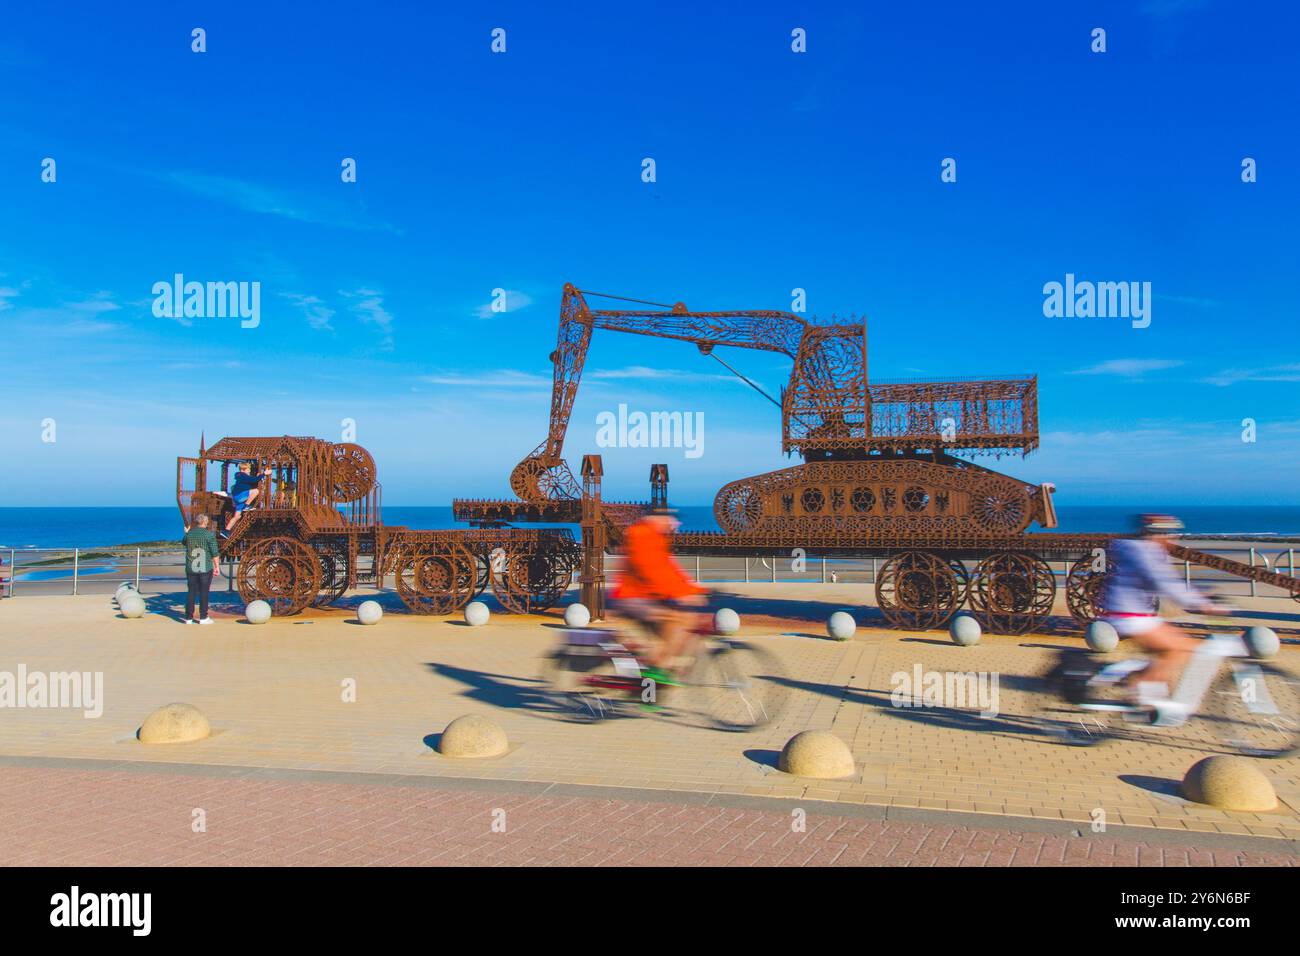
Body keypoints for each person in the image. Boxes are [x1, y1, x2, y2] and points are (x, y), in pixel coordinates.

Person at [1099, 514, 1225, 715]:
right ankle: (1138, 690)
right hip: (1130, 617)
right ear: (1158, 534)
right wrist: (1202, 604)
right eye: (1170, 534)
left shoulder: (1147, 552)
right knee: (1183, 649)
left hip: (1139, 616)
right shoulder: (1144, 553)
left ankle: (1151, 696)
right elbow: (1165, 583)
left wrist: (1201, 597)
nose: (1174, 539)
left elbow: (1171, 582)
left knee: (1168, 655)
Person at [611, 507, 708, 687]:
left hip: (647, 596)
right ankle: (656, 671)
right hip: (631, 597)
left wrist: (695, 591)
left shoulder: (657, 539)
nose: (675, 524)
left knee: (687, 619)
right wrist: (680, 594)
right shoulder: (641, 535)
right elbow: (650, 570)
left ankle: (655, 679)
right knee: (673, 617)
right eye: (672, 519)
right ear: (658, 519)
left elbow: (671, 572)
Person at [182, 513, 221, 625]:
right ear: (204, 522)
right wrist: (217, 567)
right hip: (205, 568)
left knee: (191, 593)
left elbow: (184, 542)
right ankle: (203, 617)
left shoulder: (189, 534)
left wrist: (186, 532)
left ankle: (188, 618)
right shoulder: (209, 535)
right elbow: (214, 553)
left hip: (191, 569)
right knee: (204, 593)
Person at [224, 461, 264, 531]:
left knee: (237, 516)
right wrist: (264, 474)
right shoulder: (242, 475)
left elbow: (251, 480)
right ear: (242, 469)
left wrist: (258, 477)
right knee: (256, 491)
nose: (249, 471)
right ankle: (247, 506)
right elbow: (253, 480)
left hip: (237, 498)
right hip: (239, 496)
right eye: (248, 470)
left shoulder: (240, 476)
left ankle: (226, 530)